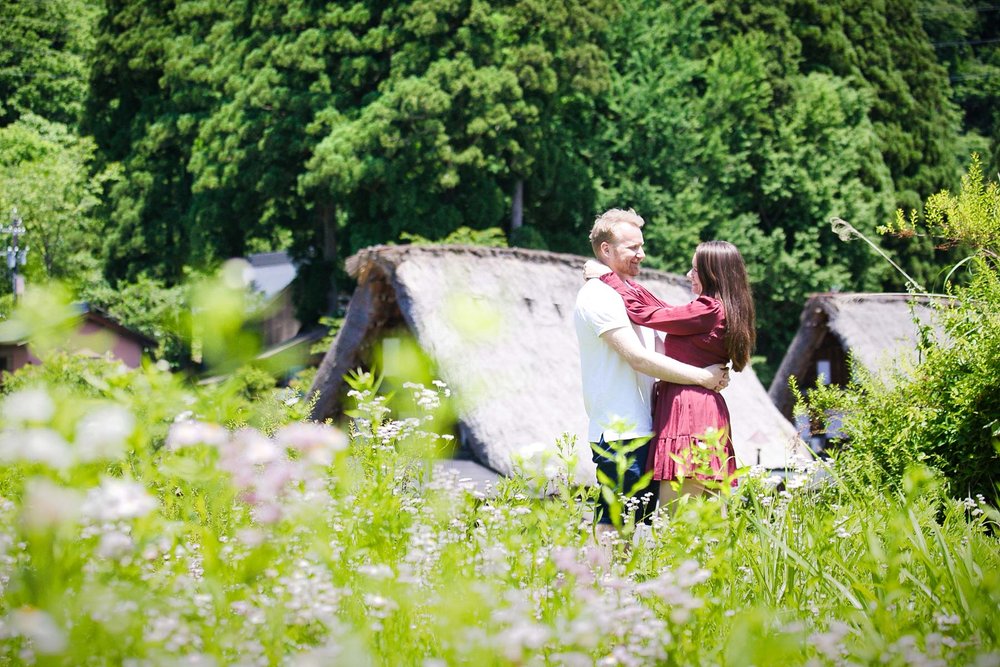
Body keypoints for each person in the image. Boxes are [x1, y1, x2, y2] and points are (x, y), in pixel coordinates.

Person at [574, 209, 729, 538]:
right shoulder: (598, 295)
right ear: (606, 250)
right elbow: (639, 359)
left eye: (641, 246)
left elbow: (662, 348)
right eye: (632, 247)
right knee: (615, 526)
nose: (641, 254)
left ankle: (624, 587)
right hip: (620, 432)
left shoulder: (624, 292)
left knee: (638, 527)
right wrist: (703, 377)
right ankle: (601, 587)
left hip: (646, 426)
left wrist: (706, 367)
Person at [589, 240, 755, 511]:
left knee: (675, 522)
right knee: (710, 524)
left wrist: (607, 278)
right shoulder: (722, 308)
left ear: (713, 274)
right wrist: (627, 285)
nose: (689, 275)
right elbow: (663, 310)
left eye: (695, 270)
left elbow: (646, 314)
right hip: (706, 409)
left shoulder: (708, 309)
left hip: (687, 411)